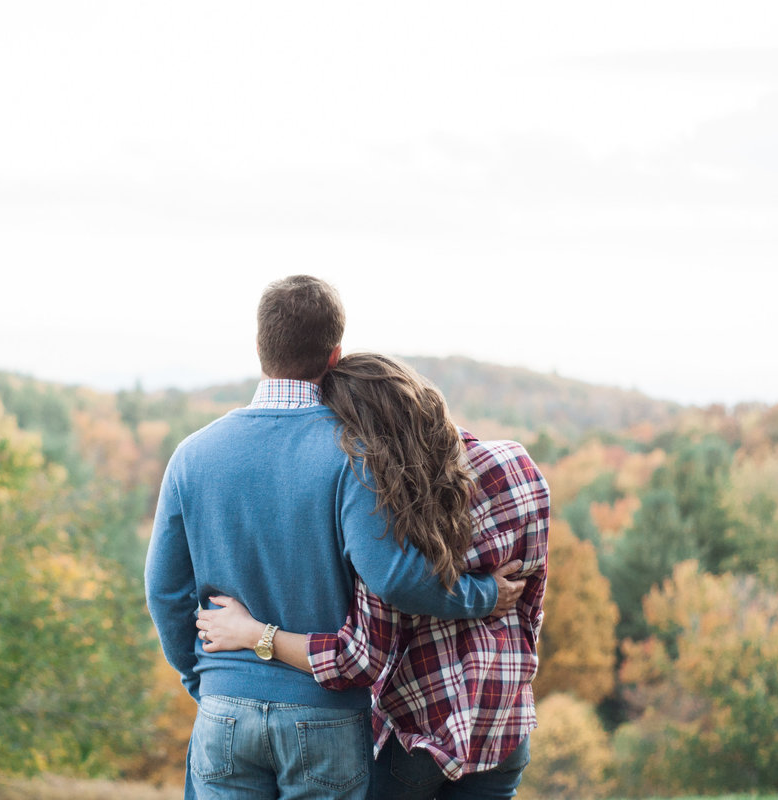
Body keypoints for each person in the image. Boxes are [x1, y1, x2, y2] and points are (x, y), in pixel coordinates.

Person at [144, 276, 525, 800]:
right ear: (335, 354)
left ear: (259, 346)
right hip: (323, 716)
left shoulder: (192, 455)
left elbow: (164, 593)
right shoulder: (356, 455)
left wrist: (208, 680)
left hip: (224, 704)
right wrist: (483, 595)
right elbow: (394, 578)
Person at [196, 353, 550, 800]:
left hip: (418, 734)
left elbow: (360, 660)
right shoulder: (517, 467)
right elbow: (530, 604)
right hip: (505, 722)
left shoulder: (386, 510)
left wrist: (254, 634)